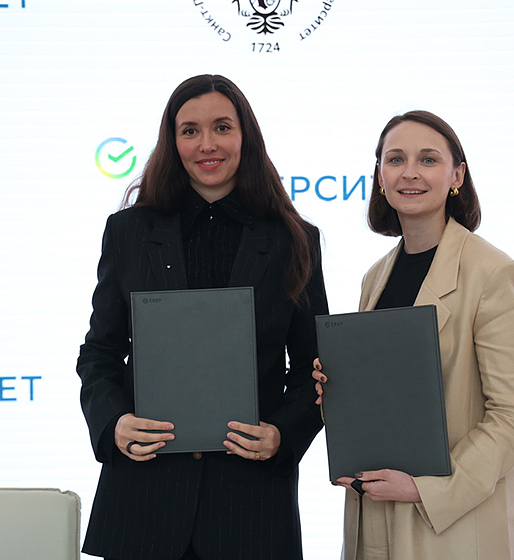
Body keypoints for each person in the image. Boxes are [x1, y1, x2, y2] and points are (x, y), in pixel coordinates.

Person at [77, 74, 328, 560]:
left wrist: (282, 434)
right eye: (189, 130)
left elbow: (313, 369)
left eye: (222, 127)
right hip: (142, 501)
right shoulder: (129, 231)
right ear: (172, 142)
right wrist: (113, 423)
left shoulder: (293, 239)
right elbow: (100, 353)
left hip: (251, 505)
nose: (206, 144)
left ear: (245, 137)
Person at [313, 110, 514, 560]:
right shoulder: (375, 277)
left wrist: (429, 489)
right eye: (395, 159)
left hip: (451, 523)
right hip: (373, 509)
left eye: (428, 159)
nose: (410, 172)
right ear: (380, 177)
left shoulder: (492, 272)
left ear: (457, 175)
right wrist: (340, 391)